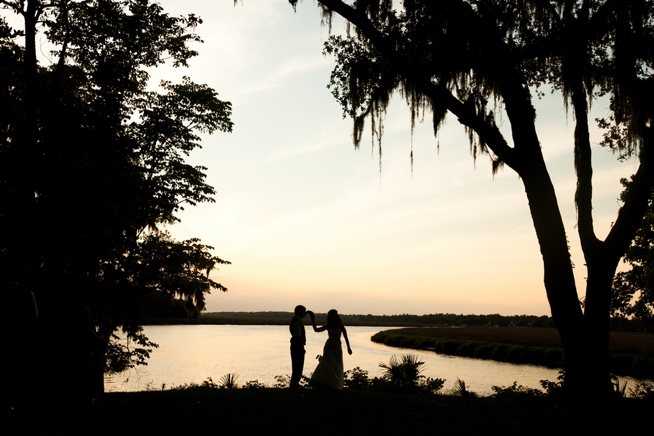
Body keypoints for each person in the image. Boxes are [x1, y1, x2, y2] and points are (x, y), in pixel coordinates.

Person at [308, 309, 352, 390]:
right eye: (331, 316)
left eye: (333, 316)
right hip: (329, 347)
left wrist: (349, 348)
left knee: (337, 365)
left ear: (336, 316)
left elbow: (346, 337)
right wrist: (312, 319)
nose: (332, 317)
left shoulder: (340, 325)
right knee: (327, 364)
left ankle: (335, 384)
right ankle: (324, 383)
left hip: (337, 347)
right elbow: (316, 330)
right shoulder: (328, 325)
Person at [289, 305, 308, 389]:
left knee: (296, 364)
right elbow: (297, 336)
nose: (304, 314)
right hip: (297, 345)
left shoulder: (295, 320)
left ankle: (294, 383)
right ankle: (294, 383)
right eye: (304, 312)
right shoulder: (297, 322)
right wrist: (302, 347)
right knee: (298, 365)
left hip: (295, 345)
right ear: (301, 312)